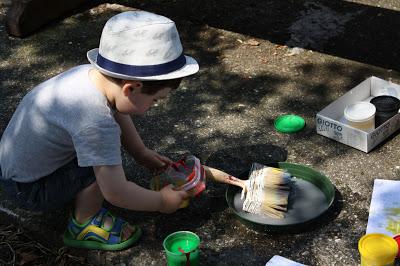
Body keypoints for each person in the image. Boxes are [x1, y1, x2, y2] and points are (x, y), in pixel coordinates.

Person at [0, 10, 200, 251]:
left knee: (103, 152)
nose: (153, 107)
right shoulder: (95, 122)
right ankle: (84, 224)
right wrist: (161, 201)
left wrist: (140, 152)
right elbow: (116, 192)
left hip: (16, 169)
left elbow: (117, 112)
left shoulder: (91, 78)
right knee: (103, 164)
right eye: (156, 100)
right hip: (30, 190)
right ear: (131, 88)